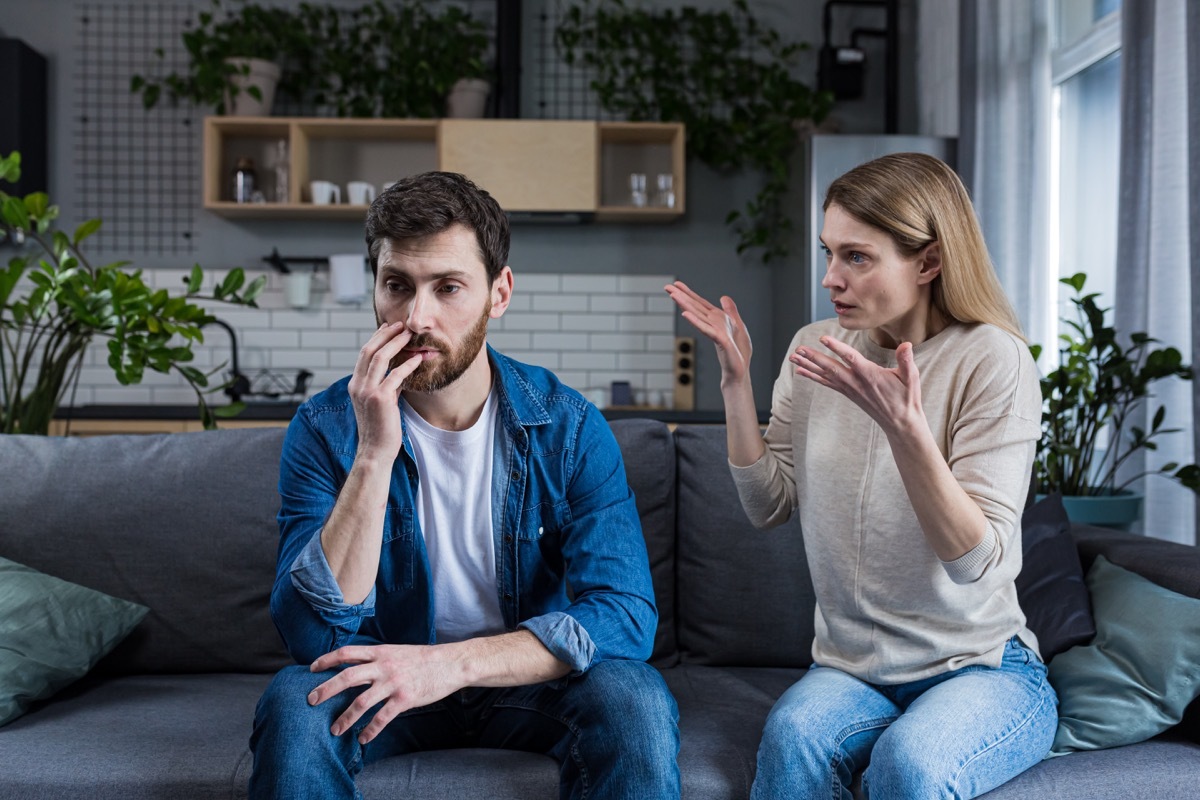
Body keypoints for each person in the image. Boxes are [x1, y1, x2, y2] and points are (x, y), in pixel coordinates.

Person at [250, 171, 680, 799]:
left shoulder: (569, 426)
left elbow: (624, 617)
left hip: (525, 683)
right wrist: (374, 452)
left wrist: (448, 666)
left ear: (498, 294)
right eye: (397, 286)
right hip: (386, 678)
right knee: (296, 701)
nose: (417, 317)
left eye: (447, 287)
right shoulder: (324, 428)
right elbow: (312, 636)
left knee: (633, 697)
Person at [666, 152, 1057, 799]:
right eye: (829, 253)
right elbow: (769, 505)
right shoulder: (814, 349)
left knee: (911, 763)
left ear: (928, 262)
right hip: (852, 669)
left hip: (981, 667)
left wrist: (908, 433)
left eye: (857, 257)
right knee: (791, 740)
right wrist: (737, 385)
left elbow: (977, 566)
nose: (830, 279)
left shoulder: (993, 358)